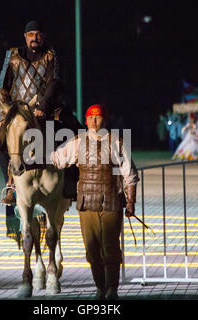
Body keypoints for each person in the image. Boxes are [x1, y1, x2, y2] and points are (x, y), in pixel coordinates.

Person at [50, 104, 139, 300]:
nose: (93, 121)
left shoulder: (116, 142)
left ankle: (112, 290)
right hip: (86, 203)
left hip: (111, 202)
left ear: (104, 119)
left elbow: (129, 174)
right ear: (86, 120)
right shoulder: (77, 142)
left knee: (110, 248)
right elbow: (57, 159)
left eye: (98, 117)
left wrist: (131, 202)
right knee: (91, 249)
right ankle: (100, 288)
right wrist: (34, 154)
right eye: (90, 117)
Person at [0, 20, 68, 206]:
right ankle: (11, 184)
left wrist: (43, 108)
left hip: (46, 109)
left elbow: (54, 82)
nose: (34, 38)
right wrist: (5, 113)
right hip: (16, 110)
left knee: (73, 132)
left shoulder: (51, 54)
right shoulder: (12, 56)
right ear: (25, 36)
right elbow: (1, 87)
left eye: (38, 34)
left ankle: (70, 184)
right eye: (31, 34)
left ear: (43, 36)